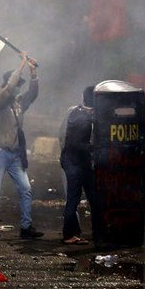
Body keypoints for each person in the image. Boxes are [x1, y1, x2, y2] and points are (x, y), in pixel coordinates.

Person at [0, 52, 44, 239]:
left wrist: (33, 74)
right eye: (16, 85)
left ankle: (26, 227)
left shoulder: (19, 103)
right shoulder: (0, 102)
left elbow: (33, 94)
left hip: (15, 154)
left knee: (26, 189)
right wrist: (22, 64)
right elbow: (9, 86)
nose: (18, 88)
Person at [59, 86, 95, 245]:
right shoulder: (85, 120)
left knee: (90, 197)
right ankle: (69, 235)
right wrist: (94, 148)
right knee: (74, 199)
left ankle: (96, 232)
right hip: (77, 163)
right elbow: (77, 143)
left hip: (72, 161)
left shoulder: (74, 112)